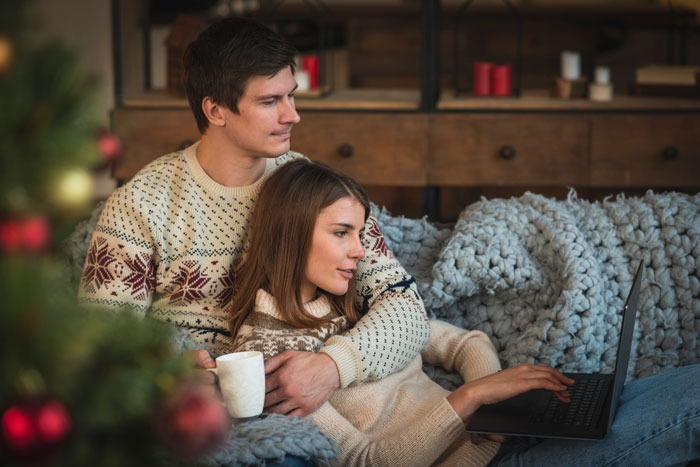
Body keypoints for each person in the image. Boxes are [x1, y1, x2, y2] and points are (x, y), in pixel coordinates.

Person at [231, 158, 700, 467]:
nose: (360, 251)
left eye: (360, 233)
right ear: (291, 234)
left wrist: (491, 413)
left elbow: (464, 342)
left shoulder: (353, 300)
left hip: (493, 440)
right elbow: (364, 461)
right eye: (341, 233)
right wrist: (471, 405)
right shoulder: (270, 359)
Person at [78, 15, 429, 419]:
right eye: (269, 102)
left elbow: (406, 307)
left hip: (308, 408)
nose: (292, 115)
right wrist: (163, 370)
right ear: (215, 110)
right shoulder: (140, 205)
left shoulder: (312, 190)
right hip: (195, 413)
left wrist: (334, 366)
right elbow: (97, 342)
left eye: (291, 96)